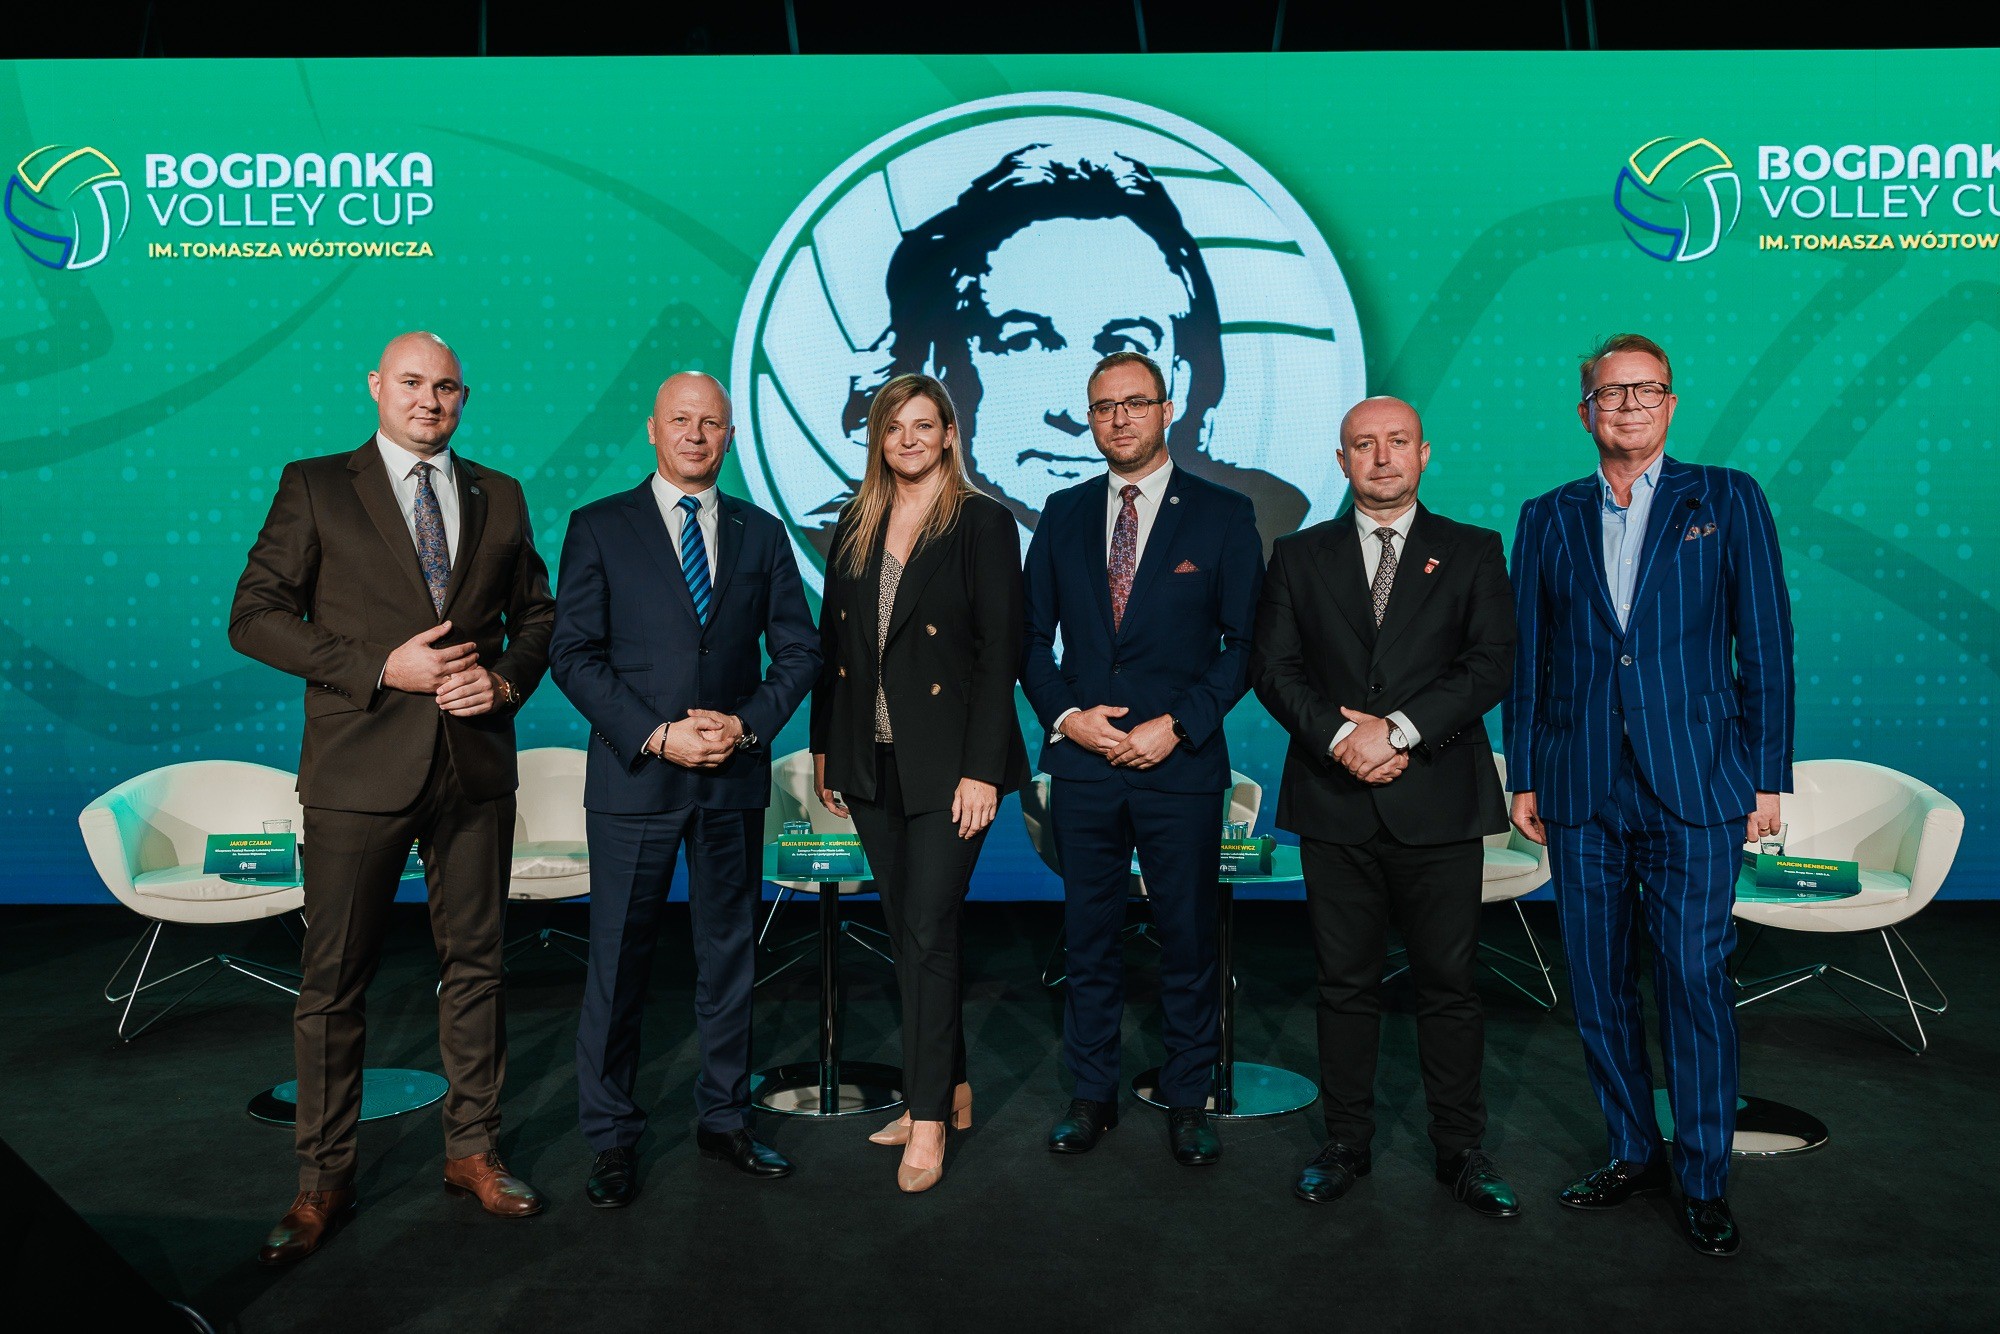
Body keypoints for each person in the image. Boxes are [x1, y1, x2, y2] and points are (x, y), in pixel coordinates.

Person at [230, 331, 557, 1265]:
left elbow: (537, 615)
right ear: (377, 385)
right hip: (359, 769)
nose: (428, 400)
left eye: (446, 387)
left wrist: (503, 682)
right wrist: (381, 665)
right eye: (411, 382)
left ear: (464, 398)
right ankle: (322, 1181)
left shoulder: (501, 493)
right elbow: (253, 616)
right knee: (334, 983)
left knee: (478, 969)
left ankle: (472, 1151)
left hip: (474, 769)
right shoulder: (315, 486)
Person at [1505, 333, 1794, 1257]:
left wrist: (1767, 776)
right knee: (1597, 984)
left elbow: (1766, 644)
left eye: (1646, 390)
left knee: (1693, 980)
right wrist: (1524, 772)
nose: (1628, 405)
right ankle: (1632, 1151)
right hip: (1581, 784)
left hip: (1697, 783)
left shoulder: (1729, 497)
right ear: (1583, 410)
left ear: (1671, 404)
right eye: (1610, 392)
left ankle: (1703, 1177)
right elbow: (1528, 657)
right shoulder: (1546, 516)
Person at [549, 371, 820, 1208]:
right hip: (635, 778)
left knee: (730, 957)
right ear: (652, 428)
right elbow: (572, 654)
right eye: (680, 420)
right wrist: (658, 734)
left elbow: (799, 652)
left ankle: (725, 1119)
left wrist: (745, 725)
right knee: (618, 961)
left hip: (731, 779)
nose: (696, 435)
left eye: (711, 423)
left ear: (729, 436)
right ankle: (612, 1138)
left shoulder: (761, 532)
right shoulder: (599, 526)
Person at [1251, 396, 1520, 1216]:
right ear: (1341, 461)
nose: (1381, 457)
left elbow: (1491, 664)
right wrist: (1344, 739)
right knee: (1343, 985)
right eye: (1363, 445)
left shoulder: (1473, 550)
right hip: (1335, 803)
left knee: (1449, 986)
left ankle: (1461, 1151)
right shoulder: (1299, 555)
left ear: (1423, 454)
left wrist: (1397, 732)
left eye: (1397, 441)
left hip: (1437, 801)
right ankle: (1345, 1143)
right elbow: (1273, 670)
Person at [1021, 349, 1263, 1166]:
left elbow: (1246, 645)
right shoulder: (1061, 513)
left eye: (1135, 402)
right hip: (1084, 766)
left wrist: (1178, 726)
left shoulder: (1224, 513)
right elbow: (1029, 640)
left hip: (1179, 767)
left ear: (1168, 409)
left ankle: (1187, 1098)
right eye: (1104, 406)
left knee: (1188, 939)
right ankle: (1090, 1096)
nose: (1119, 418)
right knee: (1088, 940)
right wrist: (1067, 718)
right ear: (1090, 420)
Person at [834, 145, 1307, 553]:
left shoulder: (1274, 527)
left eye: (1126, 345)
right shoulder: (853, 539)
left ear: (1181, 378)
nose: (1073, 413)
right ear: (940, 365)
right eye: (1023, 341)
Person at [809, 373, 1029, 1193]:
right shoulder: (855, 520)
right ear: (878, 437)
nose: (908, 438)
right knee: (910, 935)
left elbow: (999, 653)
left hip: (950, 765)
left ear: (949, 435)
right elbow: (835, 645)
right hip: (869, 758)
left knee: (930, 929)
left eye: (924, 424)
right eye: (894, 426)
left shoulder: (981, 522)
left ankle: (926, 1117)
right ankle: (952, 1088)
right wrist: (826, 746)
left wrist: (981, 769)